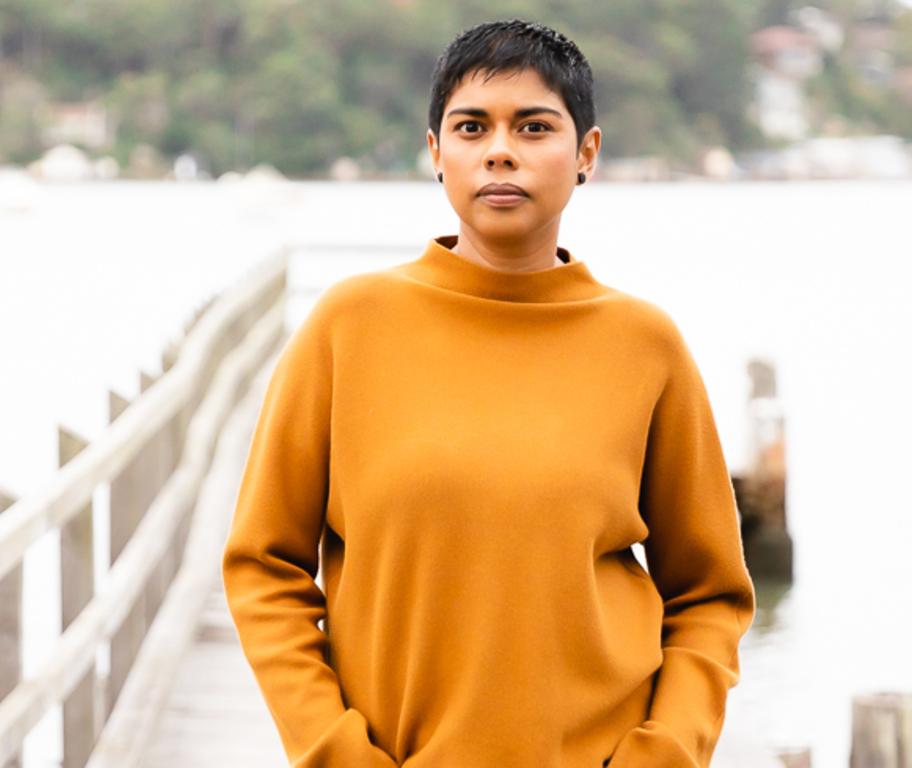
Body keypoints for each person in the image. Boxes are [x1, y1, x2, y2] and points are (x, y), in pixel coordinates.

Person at [222, 17, 756, 768]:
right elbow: (263, 567)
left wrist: (662, 755)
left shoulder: (646, 346)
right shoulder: (349, 326)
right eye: (472, 127)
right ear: (438, 154)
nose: (500, 149)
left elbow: (708, 596)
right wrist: (335, 752)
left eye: (534, 127)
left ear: (586, 155)